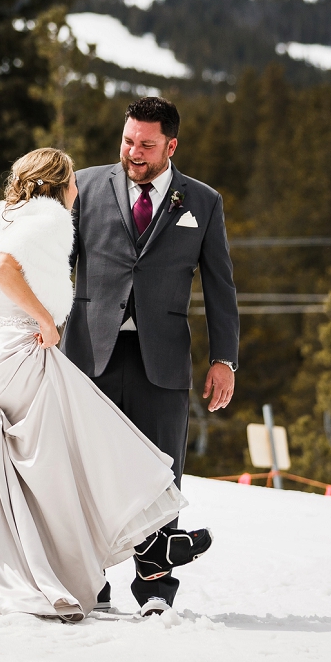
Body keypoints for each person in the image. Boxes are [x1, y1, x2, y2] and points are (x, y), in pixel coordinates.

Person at [0, 148, 185, 621]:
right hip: (27, 359)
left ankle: (70, 566)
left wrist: (4, 326)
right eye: (73, 180)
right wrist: (43, 323)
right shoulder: (51, 220)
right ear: (61, 185)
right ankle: (148, 539)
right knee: (86, 445)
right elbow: (0, 272)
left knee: (38, 471)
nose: (79, 187)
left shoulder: (8, 224)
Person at [64, 95, 239, 616]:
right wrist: (40, 327)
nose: (132, 152)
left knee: (161, 471)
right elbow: (60, 262)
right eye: (127, 140)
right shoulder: (87, 187)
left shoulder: (202, 202)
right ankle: (86, 579)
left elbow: (220, 286)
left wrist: (223, 358)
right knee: (85, 469)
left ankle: (156, 588)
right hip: (87, 352)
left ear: (171, 145)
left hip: (162, 357)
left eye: (145, 144)